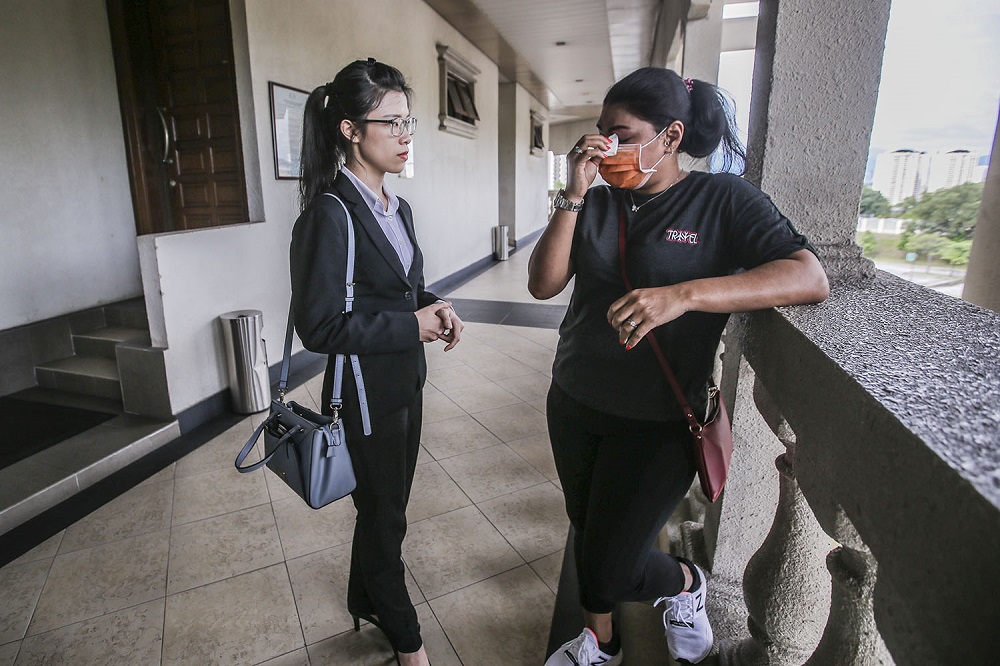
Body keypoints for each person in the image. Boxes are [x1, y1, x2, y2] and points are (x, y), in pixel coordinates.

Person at [529, 67, 829, 665]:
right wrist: (572, 193)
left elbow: (808, 276)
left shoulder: (722, 199)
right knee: (587, 531)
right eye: (600, 133)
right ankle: (601, 641)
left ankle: (687, 583)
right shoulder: (596, 201)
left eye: (621, 135)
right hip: (575, 397)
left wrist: (685, 295)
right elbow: (543, 284)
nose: (605, 147)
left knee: (612, 563)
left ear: (670, 137)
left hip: (660, 417)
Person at [290, 58, 462, 666]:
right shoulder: (330, 213)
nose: (405, 134)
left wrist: (433, 305)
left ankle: (364, 597)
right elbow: (318, 326)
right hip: (362, 393)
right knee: (386, 517)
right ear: (350, 130)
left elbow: (400, 289)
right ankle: (408, 641)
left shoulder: (397, 208)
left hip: (404, 381)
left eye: (408, 121)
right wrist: (409, 325)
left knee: (385, 508)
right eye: (391, 123)